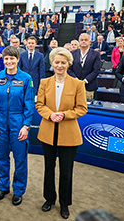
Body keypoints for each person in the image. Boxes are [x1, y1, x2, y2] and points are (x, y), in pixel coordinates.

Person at [36, 47, 88, 219]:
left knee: (66, 171)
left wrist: (64, 115)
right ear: (52, 63)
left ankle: (64, 203)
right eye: (56, 62)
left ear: (68, 64)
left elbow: (82, 108)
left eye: (63, 62)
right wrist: (50, 114)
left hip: (69, 133)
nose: (59, 65)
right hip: (48, 131)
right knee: (48, 168)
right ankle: (49, 199)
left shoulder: (78, 84)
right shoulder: (44, 82)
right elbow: (40, 105)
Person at [0, 46, 34, 206]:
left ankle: (19, 190)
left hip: (18, 122)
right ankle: (3, 186)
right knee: (1, 158)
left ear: (17, 59)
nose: (9, 61)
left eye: (12, 58)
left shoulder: (26, 78)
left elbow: (29, 104)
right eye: (6, 58)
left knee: (20, 159)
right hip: (0, 122)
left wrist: (26, 125)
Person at [68, 33, 101, 100]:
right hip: (74, 86)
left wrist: (85, 80)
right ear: (79, 42)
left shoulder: (96, 54)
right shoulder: (72, 53)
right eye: (81, 40)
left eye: (86, 40)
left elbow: (96, 70)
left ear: (90, 42)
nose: (83, 41)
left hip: (89, 86)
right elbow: (69, 69)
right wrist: (76, 79)